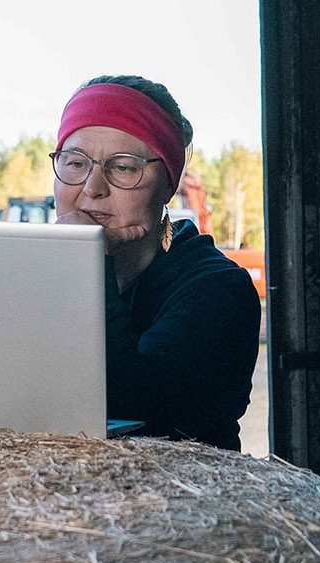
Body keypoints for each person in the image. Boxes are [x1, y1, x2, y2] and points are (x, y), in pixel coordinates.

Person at [50, 75, 261, 449]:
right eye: (75, 163)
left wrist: (84, 266)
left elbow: (142, 411)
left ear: (168, 183)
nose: (91, 187)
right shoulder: (23, 274)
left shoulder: (218, 290)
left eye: (124, 168)